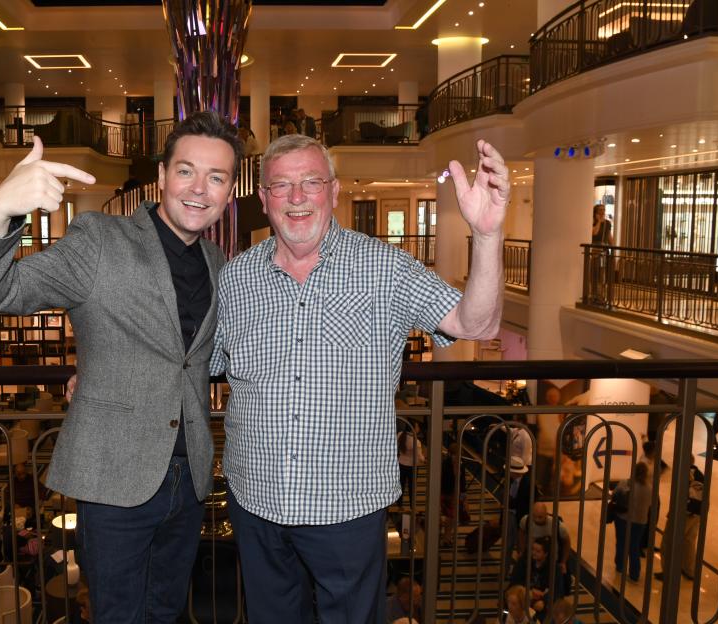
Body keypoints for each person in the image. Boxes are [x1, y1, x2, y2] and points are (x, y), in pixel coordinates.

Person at [210, 133, 509, 621]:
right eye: (281, 185)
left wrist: (488, 235)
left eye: (311, 182)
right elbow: (195, 361)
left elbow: (476, 324)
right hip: (255, 502)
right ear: (263, 198)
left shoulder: (384, 268)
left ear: (334, 190)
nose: (297, 197)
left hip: (347, 510)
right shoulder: (236, 278)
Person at [0, 111, 242, 622]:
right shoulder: (100, 239)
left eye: (216, 177)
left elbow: (205, 357)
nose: (199, 188)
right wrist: (0, 211)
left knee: (165, 613)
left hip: (190, 478)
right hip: (115, 475)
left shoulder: (218, 263)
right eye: (186, 171)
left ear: (228, 193)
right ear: (162, 176)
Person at [613, 461, 652, 582]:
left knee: (621, 543)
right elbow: (651, 504)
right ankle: (634, 573)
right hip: (640, 522)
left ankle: (620, 566)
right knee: (634, 546)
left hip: (623, 518)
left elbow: (614, 495)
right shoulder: (649, 488)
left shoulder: (626, 483)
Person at [509, 536, 566, 617]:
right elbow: (515, 582)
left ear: (546, 554)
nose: (534, 553)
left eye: (538, 551)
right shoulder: (524, 562)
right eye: (532, 549)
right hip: (524, 594)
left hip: (542, 600)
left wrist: (544, 600)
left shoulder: (554, 568)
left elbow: (558, 591)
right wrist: (530, 591)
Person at [518, 503, 571, 577]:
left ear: (546, 514)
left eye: (540, 517)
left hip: (551, 563)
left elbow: (567, 543)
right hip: (531, 560)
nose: (537, 520)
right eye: (534, 516)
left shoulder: (557, 525)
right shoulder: (526, 520)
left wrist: (563, 562)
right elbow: (521, 533)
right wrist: (522, 550)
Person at [397, 421, 424, 505]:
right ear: (413, 429)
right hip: (412, 467)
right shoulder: (416, 442)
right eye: (417, 427)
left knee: (401, 485)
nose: (419, 428)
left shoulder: (400, 435)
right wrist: (424, 459)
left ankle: (399, 504)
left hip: (401, 464)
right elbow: (420, 457)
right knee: (412, 487)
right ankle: (412, 506)